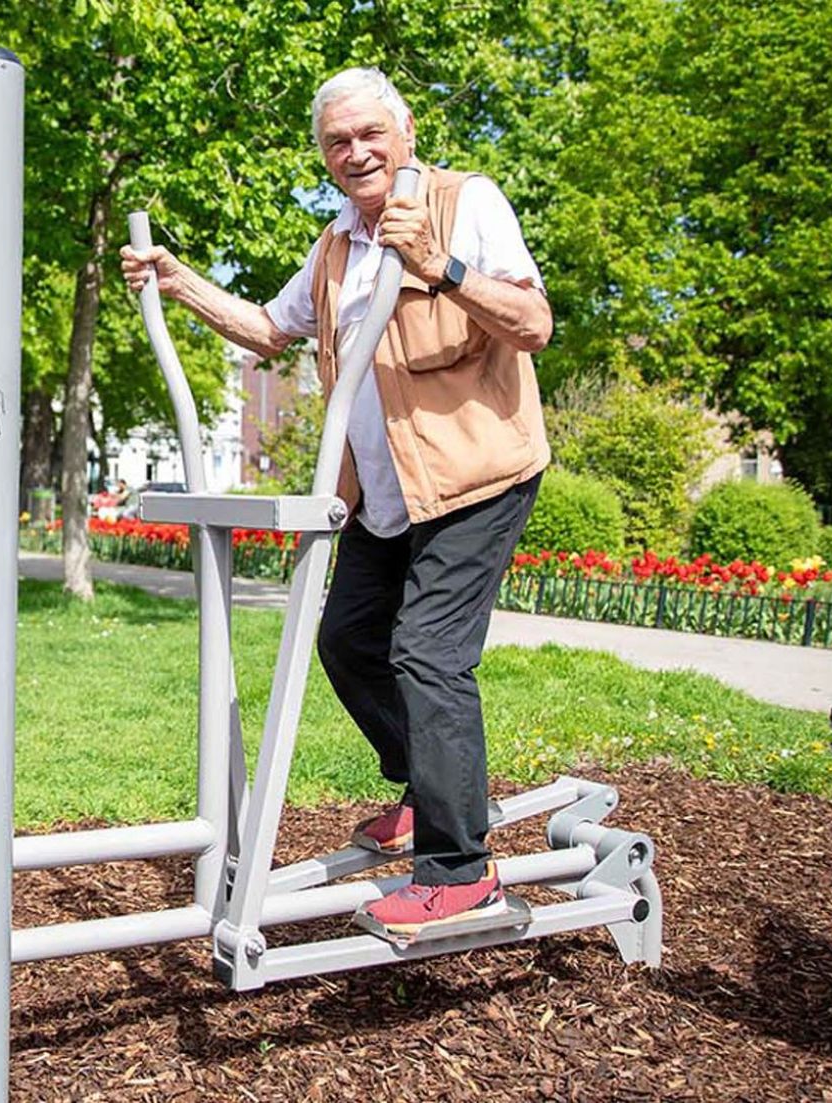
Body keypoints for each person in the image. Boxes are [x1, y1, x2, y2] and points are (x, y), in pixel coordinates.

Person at [120, 67, 551, 940]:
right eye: (336, 142)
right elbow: (271, 329)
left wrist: (444, 266)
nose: (355, 153)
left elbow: (533, 322)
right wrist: (179, 280)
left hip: (474, 478)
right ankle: (429, 786)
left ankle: (462, 869)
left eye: (368, 134)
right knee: (348, 639)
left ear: (407, 131)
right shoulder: (337, 247)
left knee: (428, 653)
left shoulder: (467, 202)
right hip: (384, 496)